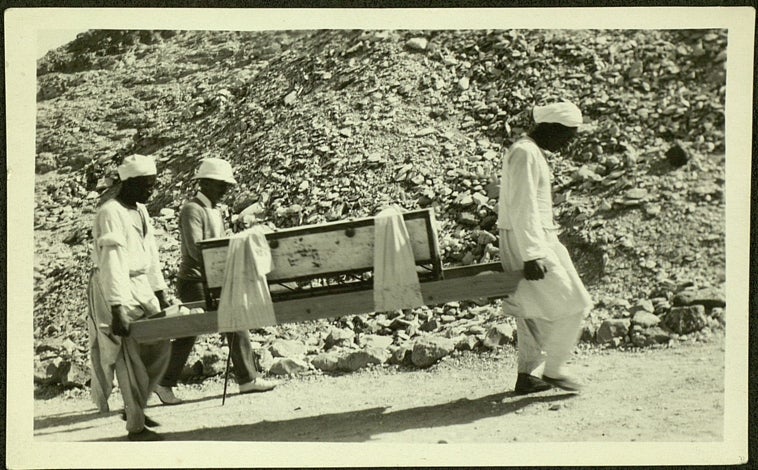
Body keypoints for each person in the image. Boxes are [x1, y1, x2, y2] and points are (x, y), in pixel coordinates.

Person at [154, 158, 277, 404]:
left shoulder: (215, 211)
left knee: (234, 320)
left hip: (215, 278)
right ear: (206, 183)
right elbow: (195, 249)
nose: (225, 191)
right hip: (194, 280)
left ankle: (246, 379)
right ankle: (163, 381)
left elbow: (219, 247)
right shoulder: (192, 209)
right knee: (190, 330)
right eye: (221, 185)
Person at [497, 101, 593, 395]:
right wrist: (532, 254)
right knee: (576, 302)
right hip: (528, 241)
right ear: (551, 128)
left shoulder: (529, 151)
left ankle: (528, 375)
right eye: (568, 135)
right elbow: (522, 206)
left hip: (535, 238)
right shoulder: (525, 153)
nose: (569, 142)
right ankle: (553, 371)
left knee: (533, 309)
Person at [87, 154, 171, 441]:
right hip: (116, 286)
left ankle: (137, 403)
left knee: (160, 344)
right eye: (146, 185)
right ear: (129, 182)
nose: (151, 190)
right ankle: (136, 426)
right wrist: (117, 307)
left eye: (153, 184)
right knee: (128, 356)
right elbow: (112, 261)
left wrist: (160, 291)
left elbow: (151, 254)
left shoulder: (141, 210)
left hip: (140, 284)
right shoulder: (110, 212)